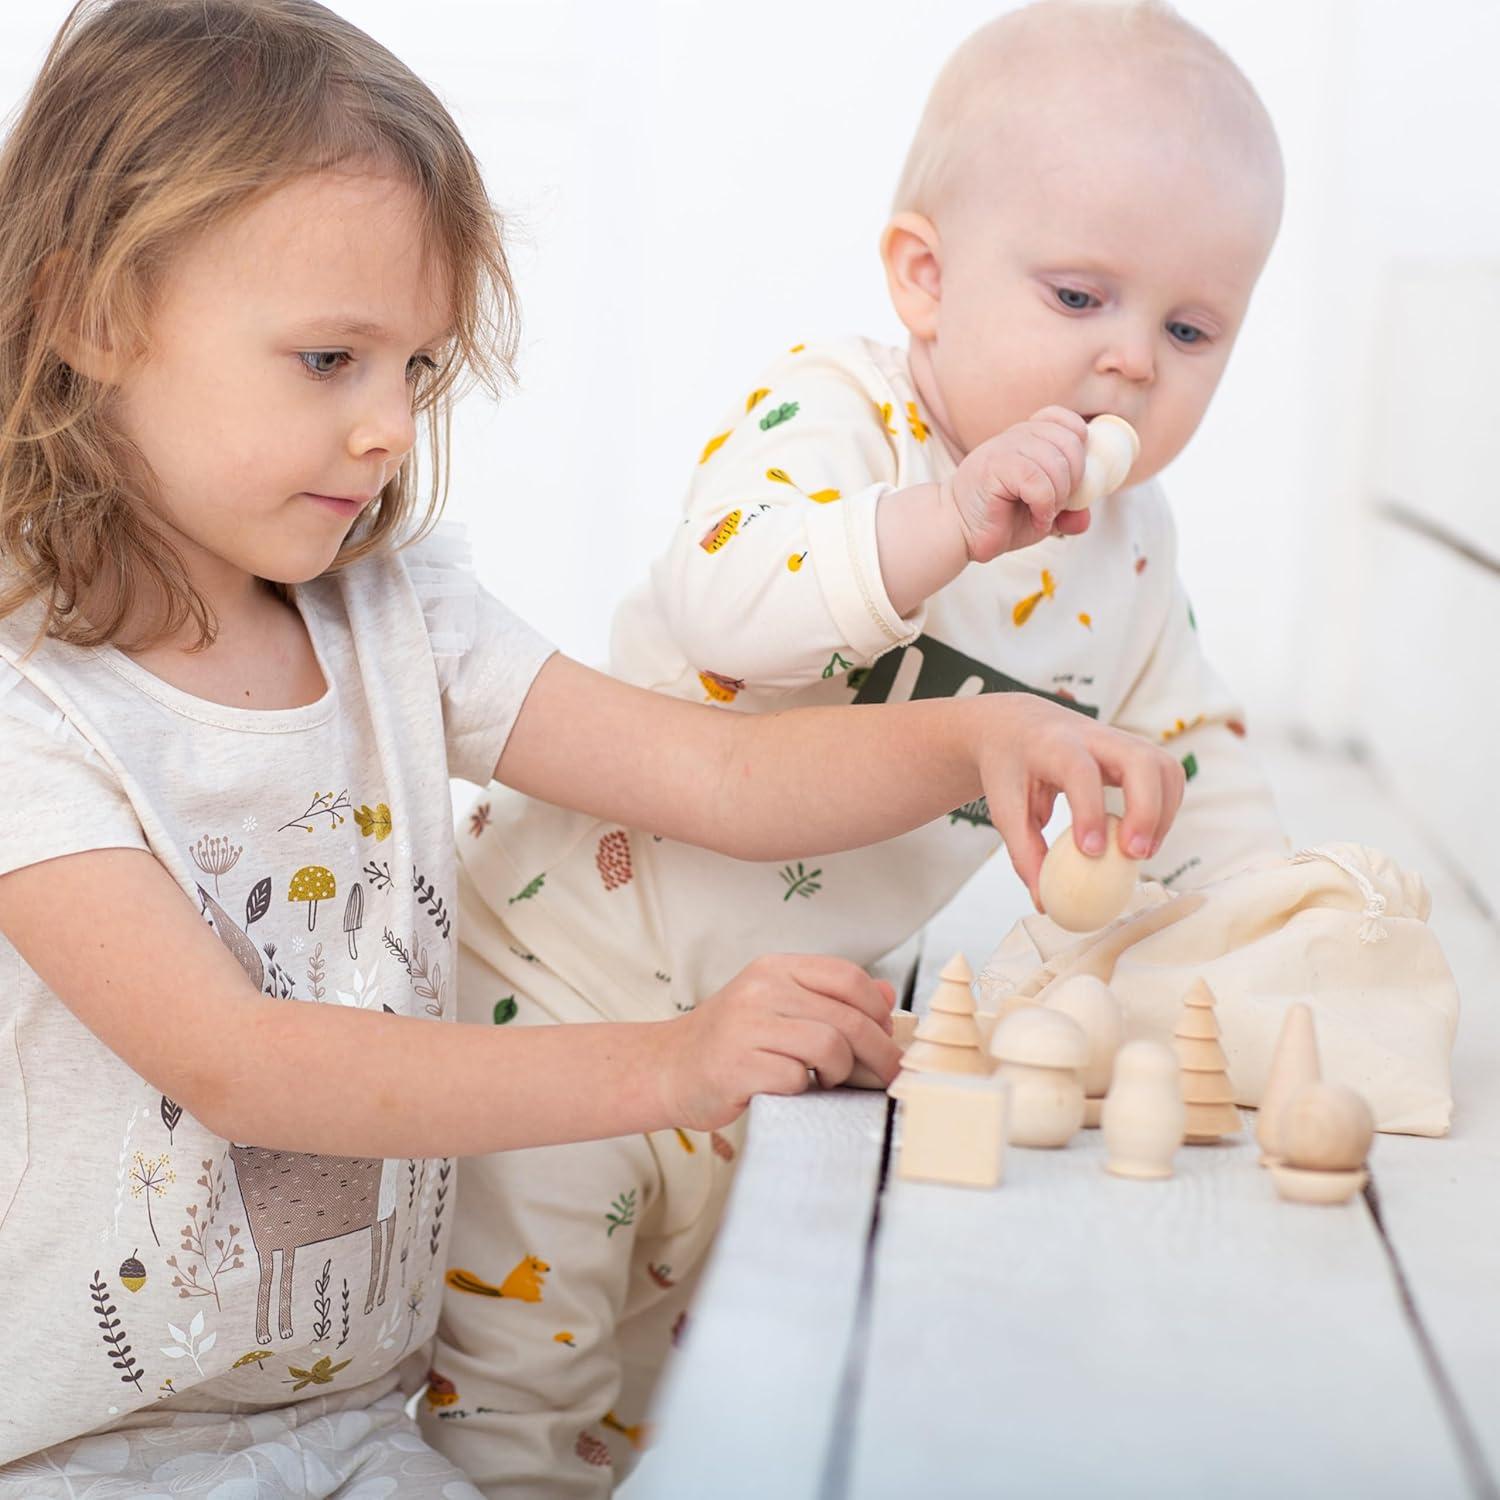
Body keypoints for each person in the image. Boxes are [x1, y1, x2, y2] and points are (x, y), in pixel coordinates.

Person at [0, 2, 1183, 1494]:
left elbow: (719, 777)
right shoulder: (31, 711)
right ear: (92, 311)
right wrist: (673, 1063)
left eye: (416, 369)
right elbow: (239, 1066)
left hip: (360, 1432)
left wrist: (982, 733)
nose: (388, 428)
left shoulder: (394, 617)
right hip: (88, 1457)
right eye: (330, 358)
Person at [437, 0, 1286, 1491]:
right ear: (924, 277)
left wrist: (1277, 925)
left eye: (1189, 329)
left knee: (661, 1400)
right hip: (566, 993)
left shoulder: (1133, 549)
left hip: (777, 1051)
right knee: (514, 1400)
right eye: (1080, 296)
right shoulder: (837, 415)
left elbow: (1188, 760)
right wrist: (942, 521)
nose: (1132, 364)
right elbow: (728, 594)